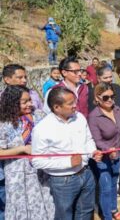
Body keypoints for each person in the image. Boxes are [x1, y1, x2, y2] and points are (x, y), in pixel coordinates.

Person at [31, 87, 103, 220]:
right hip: (63, 181)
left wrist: (93, 152)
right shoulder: (42, 129)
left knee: (86, 211)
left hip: (86, 173)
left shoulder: (79, 118)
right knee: (64, 214)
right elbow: (37, 161)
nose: (75, 106)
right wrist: (67, 163)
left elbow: (88, 139)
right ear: (57, 107)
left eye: (74, 102)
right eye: (70, 104)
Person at [0, 86, 55, 219]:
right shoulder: (4, 123)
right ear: (12, 103)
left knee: (44, 202)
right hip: (17, 175)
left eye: (29, 100)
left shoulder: (39, 116)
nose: (30, 104)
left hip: (41, 172)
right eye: (24, 102)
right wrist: (22, 149)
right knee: (21, 207)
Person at [88, 82, 120, 220]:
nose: (110, 100)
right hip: (103, 157)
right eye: (105, 97)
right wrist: (108, 150)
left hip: (118, 154)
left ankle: (114, 209)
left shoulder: (116, 109)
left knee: (114, 183)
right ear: (97, 98)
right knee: (106, 187)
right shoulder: (94, 116)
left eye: (112, 96)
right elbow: (96, 139)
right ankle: (107, 216)